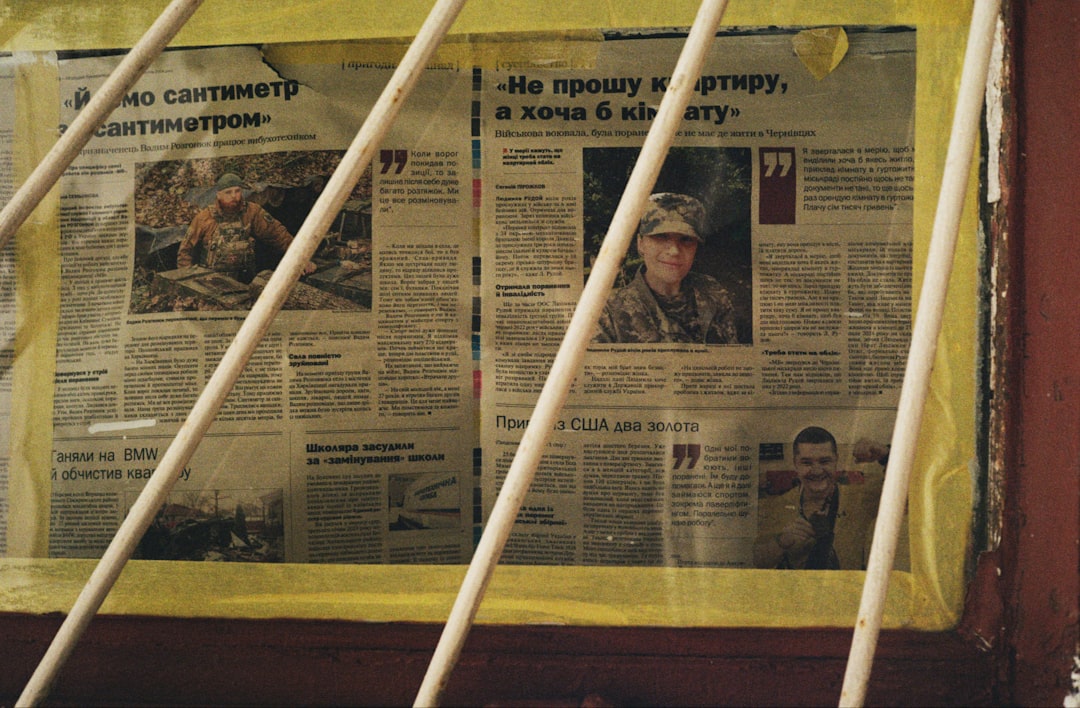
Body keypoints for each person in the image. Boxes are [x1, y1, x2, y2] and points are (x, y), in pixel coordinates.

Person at [593, 192, 739, 344]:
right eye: (661, 237)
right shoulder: (608, 312)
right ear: (641, 244)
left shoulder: (713, 292)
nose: (674, 250)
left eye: (686, 239)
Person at [753, 426, 902, 570]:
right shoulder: (777, 506)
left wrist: (886, 455)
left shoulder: (859, 498)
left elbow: (908, 498)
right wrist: (781, 542)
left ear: (836, 460)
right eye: (807, 463)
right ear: (795, 464)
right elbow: (758, 561)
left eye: (825, 461)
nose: (817, 471)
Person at [176, 172, 314, 283]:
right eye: (228, 192)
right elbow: (185, 252)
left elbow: (278, 235)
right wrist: (189, 283)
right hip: (212, 282)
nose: (234, 197)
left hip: (244, 279)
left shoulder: (252, 212)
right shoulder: (204, 218)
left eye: (237, 191)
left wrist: (301, 258)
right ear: (218, 195)